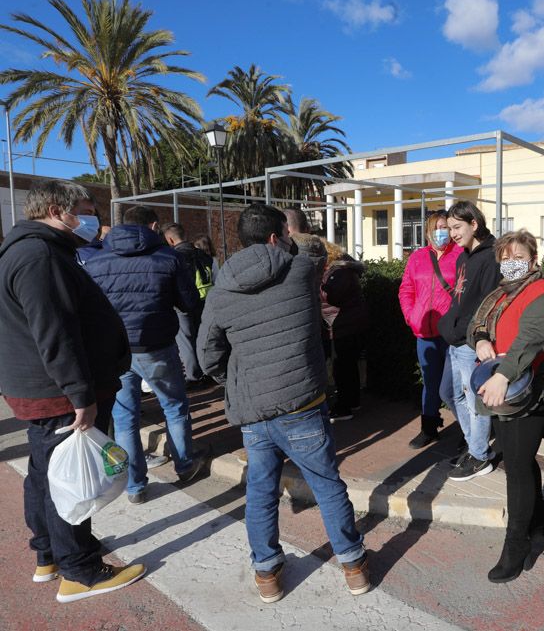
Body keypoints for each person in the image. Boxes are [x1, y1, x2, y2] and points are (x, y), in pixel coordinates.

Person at [198, 204, 370, 601]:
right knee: (327, 484)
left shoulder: (222, 286)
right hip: (302, 402)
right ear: (278, 237)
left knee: (260, 490)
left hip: (253, 408)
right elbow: (316, 249)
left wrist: (236, 379)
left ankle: (267, 573)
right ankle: (353, 565)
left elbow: (207, 356)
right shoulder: (302, 271)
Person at [0, 179, 145, 602]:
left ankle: (49, 554)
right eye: (86, 207)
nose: (93, 216)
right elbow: (55, 333)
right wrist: (80, 395)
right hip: (57, 391)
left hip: (43, 387)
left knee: (47, 471)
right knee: (69, 482)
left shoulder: (33, 251)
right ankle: (79, 570)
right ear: (59, 210)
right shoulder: (39, 256)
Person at [467, 229, 544, 582]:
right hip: (503, 391)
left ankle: (516, 545)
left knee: (516, 466)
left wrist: (502, 375)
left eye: (518, 257)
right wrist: (481, 340)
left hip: (529, 391)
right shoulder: (501, 293)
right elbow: (477, 325)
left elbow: (531, 340)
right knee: (519, 461)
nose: (511, 263)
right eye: (506, 257)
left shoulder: (543, 295)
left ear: (533, 259)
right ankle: (540, 520)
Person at [85, 206, 204, 504]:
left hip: (116, 350)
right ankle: (185, 465)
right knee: (174, 406)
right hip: (157, 346)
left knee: (124, 418)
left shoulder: (95, 261)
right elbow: (188, 301)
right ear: (152, 226)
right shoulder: (167, 257)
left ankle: (135, 485)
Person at [437, 201, 502, 481]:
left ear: (474, 224)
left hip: (470, 341)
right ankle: (475, 444)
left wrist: (475, 336)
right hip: (455, 339)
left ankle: (479, 456)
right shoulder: (465, 256)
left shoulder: (491, 257)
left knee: (476, 400)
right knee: (449, 394)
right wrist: (447, 323)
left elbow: (488, 304)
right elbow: (460, 298)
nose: (451, 233)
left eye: (456, 227)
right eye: (449, 228)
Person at [398, 210, 462, 448]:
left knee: (456, 385)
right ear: (427, 231)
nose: (440, 232)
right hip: (424, 332)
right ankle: (429, 427)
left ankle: (469, 431)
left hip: (451, 333)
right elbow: (406, 289)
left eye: (444, 226)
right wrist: (411, 316)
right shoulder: (417, 257)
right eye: (435, 227)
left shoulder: (460, 256)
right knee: (430, 383)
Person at [322, 239, 370, 422]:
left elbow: (331, 296)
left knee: (342, 368)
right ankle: (352, 401)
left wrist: (318, 285)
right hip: (349, 325)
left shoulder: (338, 272)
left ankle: (344, 407)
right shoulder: (343, 270)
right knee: (348, 366)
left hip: (344, 327)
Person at [163, 222, 216, 386]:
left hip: (183, 305)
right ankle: (210, 371)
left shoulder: (173, 257)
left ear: (170, 240)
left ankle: (194, 375)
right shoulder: (205, 255)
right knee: (205, 338)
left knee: (186, 341)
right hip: (206, 301)